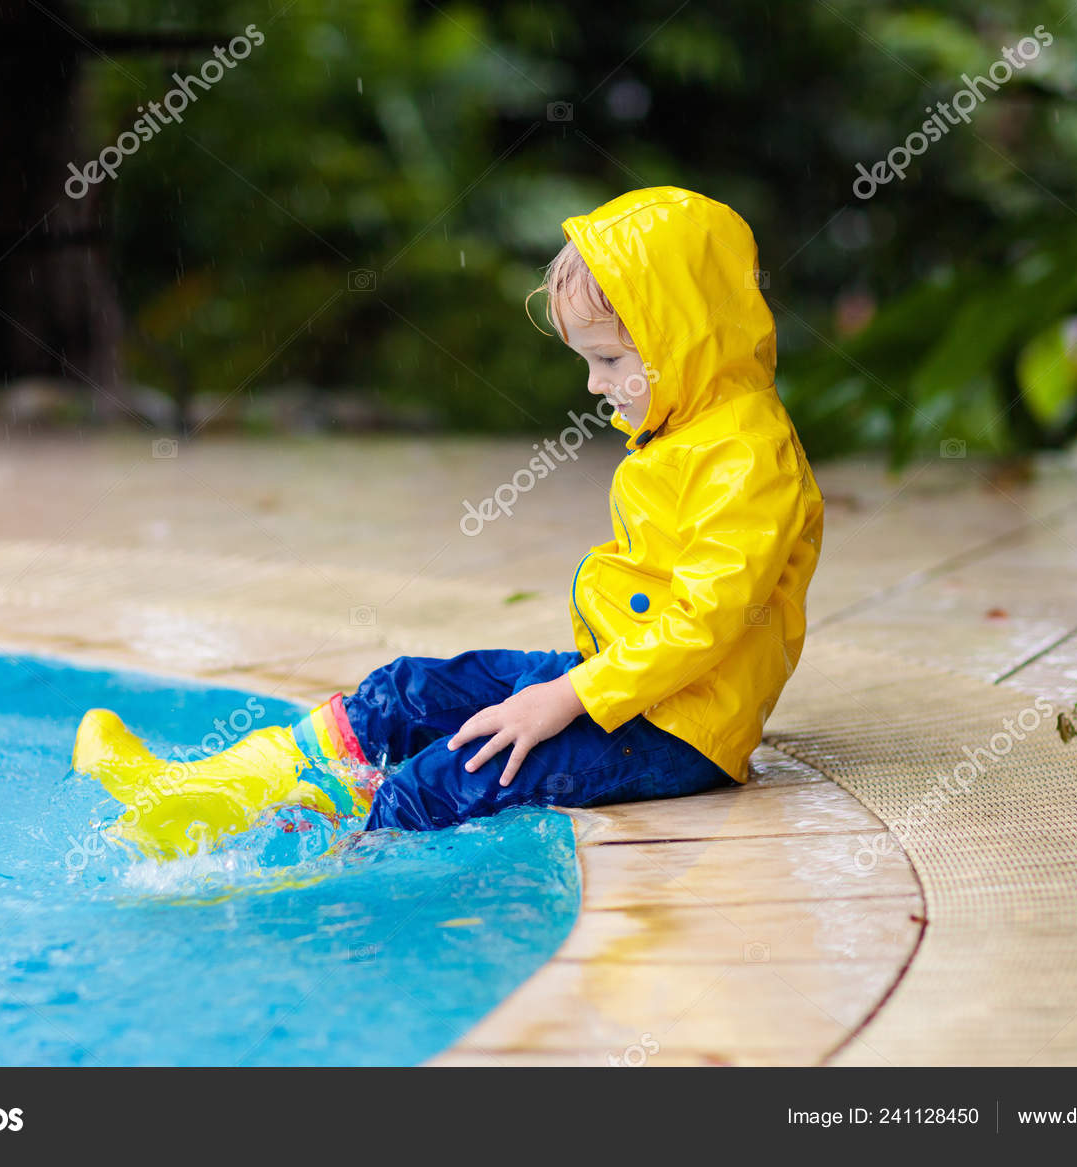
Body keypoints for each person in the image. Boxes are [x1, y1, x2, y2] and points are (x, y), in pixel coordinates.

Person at [71, 186, 824, 859]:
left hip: (680, 732)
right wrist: (574, 689)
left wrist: (566, 697)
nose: (596, 385)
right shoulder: (689, 428)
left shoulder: (747, 456)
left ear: (682, 340)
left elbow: (706, 621)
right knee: (405, 693)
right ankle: (204, 788)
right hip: (626, 688)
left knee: (455, 773)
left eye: (608, 359)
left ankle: (281, 857)